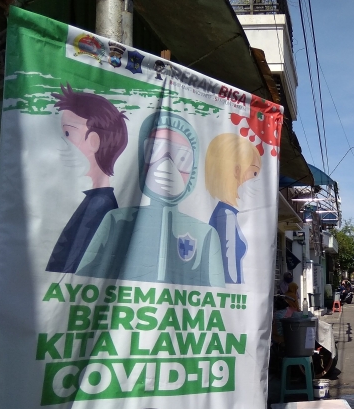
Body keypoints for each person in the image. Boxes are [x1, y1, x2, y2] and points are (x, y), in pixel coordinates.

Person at [76, 112, 226, 287]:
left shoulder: (204, 234)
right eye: (155, 152)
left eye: (183, 158)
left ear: (193, 170)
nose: (166, 165)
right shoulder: (117, 221)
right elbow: (82, 283)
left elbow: (218, 297)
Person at [47, 84, 128, 273]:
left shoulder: (99, 206)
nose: (62, 142)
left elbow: (70, 267)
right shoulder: (97, 201)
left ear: (94, 141)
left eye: (68, 133)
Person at [205, 133, 262, 284]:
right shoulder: (226, 216)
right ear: (237, 171)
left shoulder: (225, 213)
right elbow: (229, 273)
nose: (258, 179)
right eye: (255, 172)